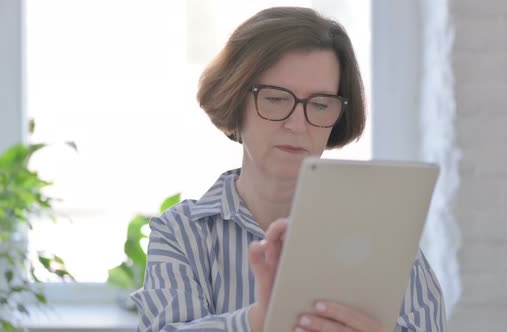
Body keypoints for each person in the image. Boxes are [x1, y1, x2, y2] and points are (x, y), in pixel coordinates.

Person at [130, 6, 445, 332]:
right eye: (276, 99)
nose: (298, 124)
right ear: (236, 101)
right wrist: (261, 321)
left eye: (320, 104)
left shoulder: (382, 233)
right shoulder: (182, 233)